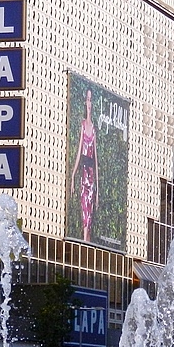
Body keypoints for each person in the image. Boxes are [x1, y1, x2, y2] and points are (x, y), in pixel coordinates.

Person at [70, 88, 99, 242]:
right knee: (84, 208)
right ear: (84, 102)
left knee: (90, 209)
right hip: (83, 173)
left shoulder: (93, 129)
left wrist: (98, 190)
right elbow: (79, 153)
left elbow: (96, 160)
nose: (89, 103)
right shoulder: (83, 125)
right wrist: (73, 176)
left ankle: (87, 241)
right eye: (87, 99)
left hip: (91, 175)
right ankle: (83, 240)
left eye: (91, 100)